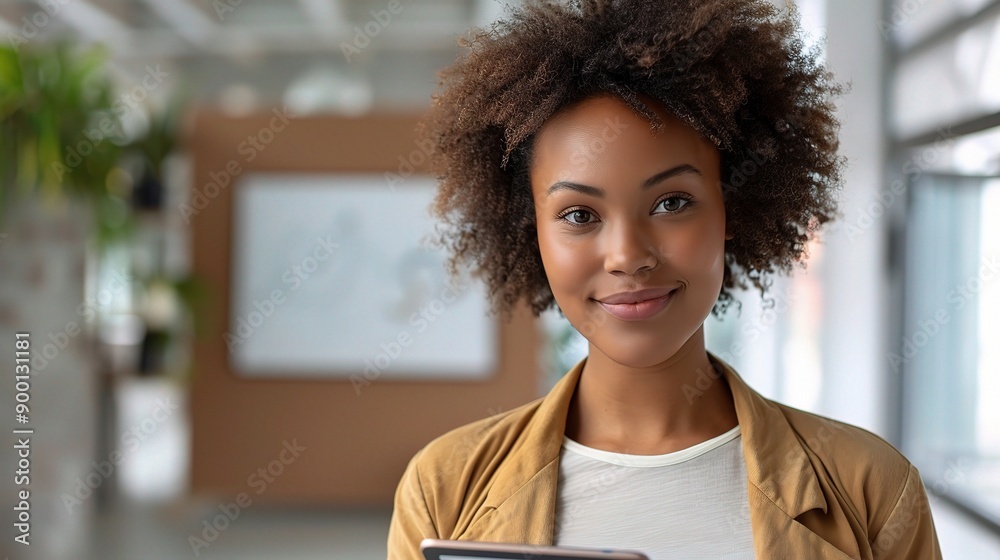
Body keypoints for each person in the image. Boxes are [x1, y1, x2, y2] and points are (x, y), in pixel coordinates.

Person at [388, 0, 942, 558]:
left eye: (672, 202)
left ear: (733, 209)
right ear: (531, 231)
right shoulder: (445, 490)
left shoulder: (873, 490)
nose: (627, 256)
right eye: (579, 215)